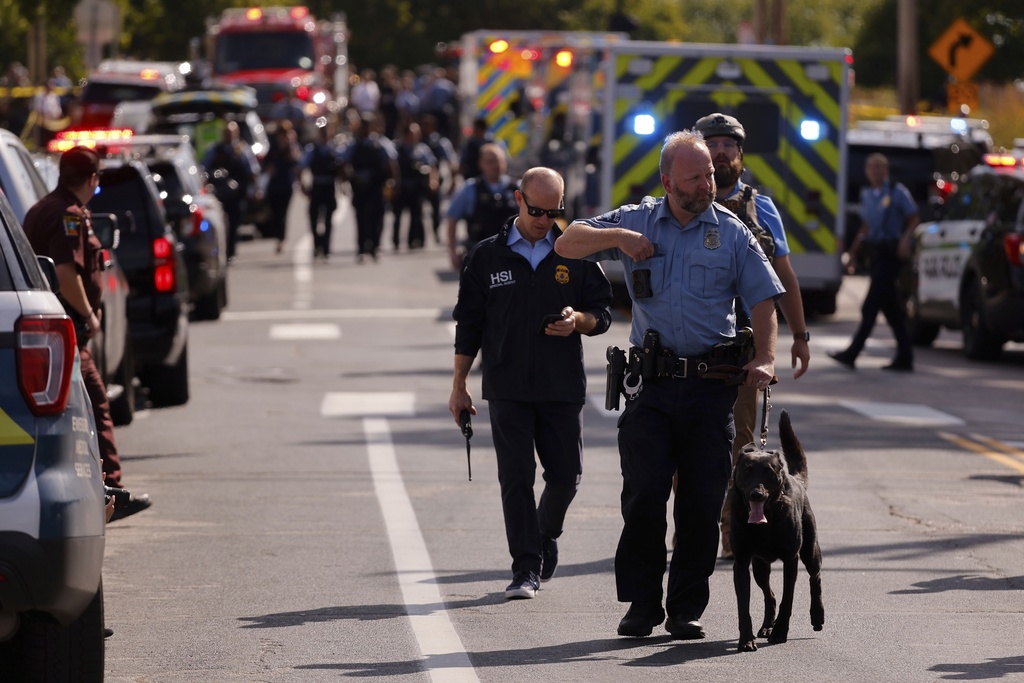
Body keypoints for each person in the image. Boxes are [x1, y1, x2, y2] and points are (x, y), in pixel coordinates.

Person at [554, 130, 784, 639]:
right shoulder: (637, 219)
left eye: (708, 174)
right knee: (643, 497)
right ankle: (641, 603)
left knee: (701, 503)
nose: (708, 183)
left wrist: (766, 357)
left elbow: (765, 300)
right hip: (652, 388)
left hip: (709, 388)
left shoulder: (730, 231)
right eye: (695, 177)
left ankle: (685, 608)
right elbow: (566, 241)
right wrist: (616, 239)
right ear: (667, 181)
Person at [449, 166, 613, 599]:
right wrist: (459, 384)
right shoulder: (486, 256)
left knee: (566, 476)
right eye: (537, 210)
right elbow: (469, 323)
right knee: (516, 478)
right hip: (508, 387)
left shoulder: (574, 252)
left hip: (561, 387)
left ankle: (544, 534)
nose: (545, 219)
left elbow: (604, 313)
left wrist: (578, 320)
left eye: (555, 210)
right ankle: (525, 568)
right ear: (519, 200)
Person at [693, 112, 811, 559]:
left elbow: (783, 275)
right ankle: (690, 530)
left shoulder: (761, 209)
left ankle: (731, 536)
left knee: (740, 449)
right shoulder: (679, 201)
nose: (722, 153)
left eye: (729, 146)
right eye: (713, 145)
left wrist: (799, 336)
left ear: (740, 156)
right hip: (690, 347)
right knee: (687, 449)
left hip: (742, 351)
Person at [23, 146, 151, 522]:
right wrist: (90, 316)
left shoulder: (41, 208)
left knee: (84, 410)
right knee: (95, 406)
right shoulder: (68, 215)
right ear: (93, 180)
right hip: (66, 333)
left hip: (49, 333)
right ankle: (111, 494)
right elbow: (66, 274)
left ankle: (104, 491)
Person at [828, 152, 918, 372]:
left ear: (885, 170)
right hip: (875, 253)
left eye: (879, 167)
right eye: (871, 167)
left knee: (870, 307)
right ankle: (905, 357)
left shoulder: (897, 192)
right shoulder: (868, 195)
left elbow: (914, 218)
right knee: (892, 310)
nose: (875, 171)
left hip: (891, 253)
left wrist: (906, 239)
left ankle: (852, 353)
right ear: (866, 171)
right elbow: (866, 227)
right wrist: (853, 253)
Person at [445, 143, 518, 270]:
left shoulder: (516, 188)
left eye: (499, 160)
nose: (496, 165)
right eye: (490, 161)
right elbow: (452, 219)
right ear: (481, 164)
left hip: (511, 254)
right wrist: (453, 251)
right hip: (479, 254)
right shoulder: (470, 188)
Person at [343, 111, 396, 262]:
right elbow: (344, 164)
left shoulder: (381, 143)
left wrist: (393, 182)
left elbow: (391, 163)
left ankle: (375, 247)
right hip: (360, 187)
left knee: (377, 217)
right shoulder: (354, 144)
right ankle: (361, 248)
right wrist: (348, 180)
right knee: (361, 218)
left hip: (376, 186)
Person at [201, 121, 257, 261]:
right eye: (226, 133)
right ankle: (221, 252)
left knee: (234, 223)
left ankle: (231, 251)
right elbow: (203, 170)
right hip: (219, 195)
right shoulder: (214, 150)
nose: (228, 136)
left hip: (237, 196)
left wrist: (255, 190)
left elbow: (252, 172)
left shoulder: (242, 150)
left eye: (231, 133)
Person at [391, 122, 437, 251]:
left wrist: (432, 180)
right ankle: (396, 241)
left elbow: (432, 165)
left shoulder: (422, 149)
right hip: (402, 186)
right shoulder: (396, 148)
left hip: (417, 186)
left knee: (417, 215)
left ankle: (415, 240)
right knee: (398, 215)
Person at [299, 124, 342, 260]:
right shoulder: (312, 149)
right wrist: (303, 185)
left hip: (329, 186)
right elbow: (301, 167)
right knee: (314, 218)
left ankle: (326, 247)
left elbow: (342, 168)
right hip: (317, 186)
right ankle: (317, 245)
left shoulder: (335, 149)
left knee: (328, 219)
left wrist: (343, 185)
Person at [262, 121, 301, 254]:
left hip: (286, 185)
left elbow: (296, 161)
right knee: (274, 213)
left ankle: (281, 239)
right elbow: (266, 164)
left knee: (283, 213)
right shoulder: (273, 148)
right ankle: (277, 235)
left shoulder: (291, 147)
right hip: (273, 185)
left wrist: (290, 143)